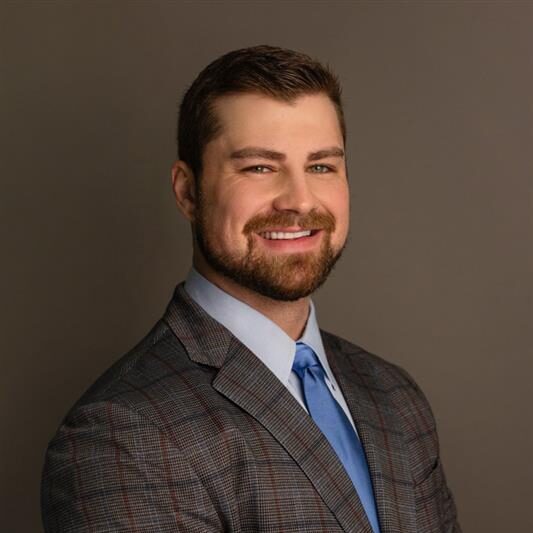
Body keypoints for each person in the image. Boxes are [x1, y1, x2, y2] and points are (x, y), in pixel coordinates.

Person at [41, 45, 461, 533]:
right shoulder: (120, 436)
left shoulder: (394, 397)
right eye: (259, 167)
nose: (299, 200)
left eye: (321, 166)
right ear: (188, 191)